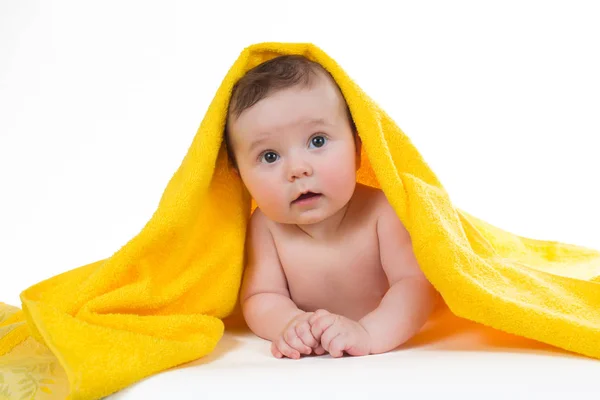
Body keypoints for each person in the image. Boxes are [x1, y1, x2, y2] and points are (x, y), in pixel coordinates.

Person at [223, 55, 439, 359]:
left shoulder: (382, 213)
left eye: (317, 140)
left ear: (357, 145)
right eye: (270, 156)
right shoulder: (266, 227)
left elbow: (415, 286)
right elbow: (262, 296)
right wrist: (292, 324)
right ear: (239, 175)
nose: (297, 169)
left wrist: (368, 334)